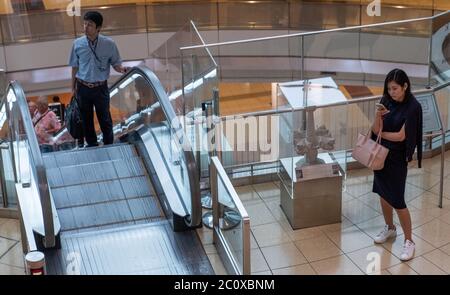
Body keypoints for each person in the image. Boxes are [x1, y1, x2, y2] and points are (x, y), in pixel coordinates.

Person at [371, 68, 423, 261]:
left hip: (397, 159)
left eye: (395, 88)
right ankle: (390, 228)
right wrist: (379, 116)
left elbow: (401, 136)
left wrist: (381, 135)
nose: (391, 92)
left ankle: (409, 241)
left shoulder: (413, 107)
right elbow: (375, 129)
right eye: (389, 88)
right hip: (381, 156)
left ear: (405, 86)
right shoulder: (385, 101)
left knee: (398, 201)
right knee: (383, 194)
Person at [68, 11, 128, 147]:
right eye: (84, 24)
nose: (85, 27)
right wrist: (72, 88)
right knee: (86, 119)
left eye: (89, 25)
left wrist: (122, 69)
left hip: (101, 87)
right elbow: (74, 67)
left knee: (105, 118)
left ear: (98, 28)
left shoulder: (109, 44)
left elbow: (115, 63)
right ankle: (92, 145)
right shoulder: (77, 43)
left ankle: (109, 145)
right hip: (82, 87)